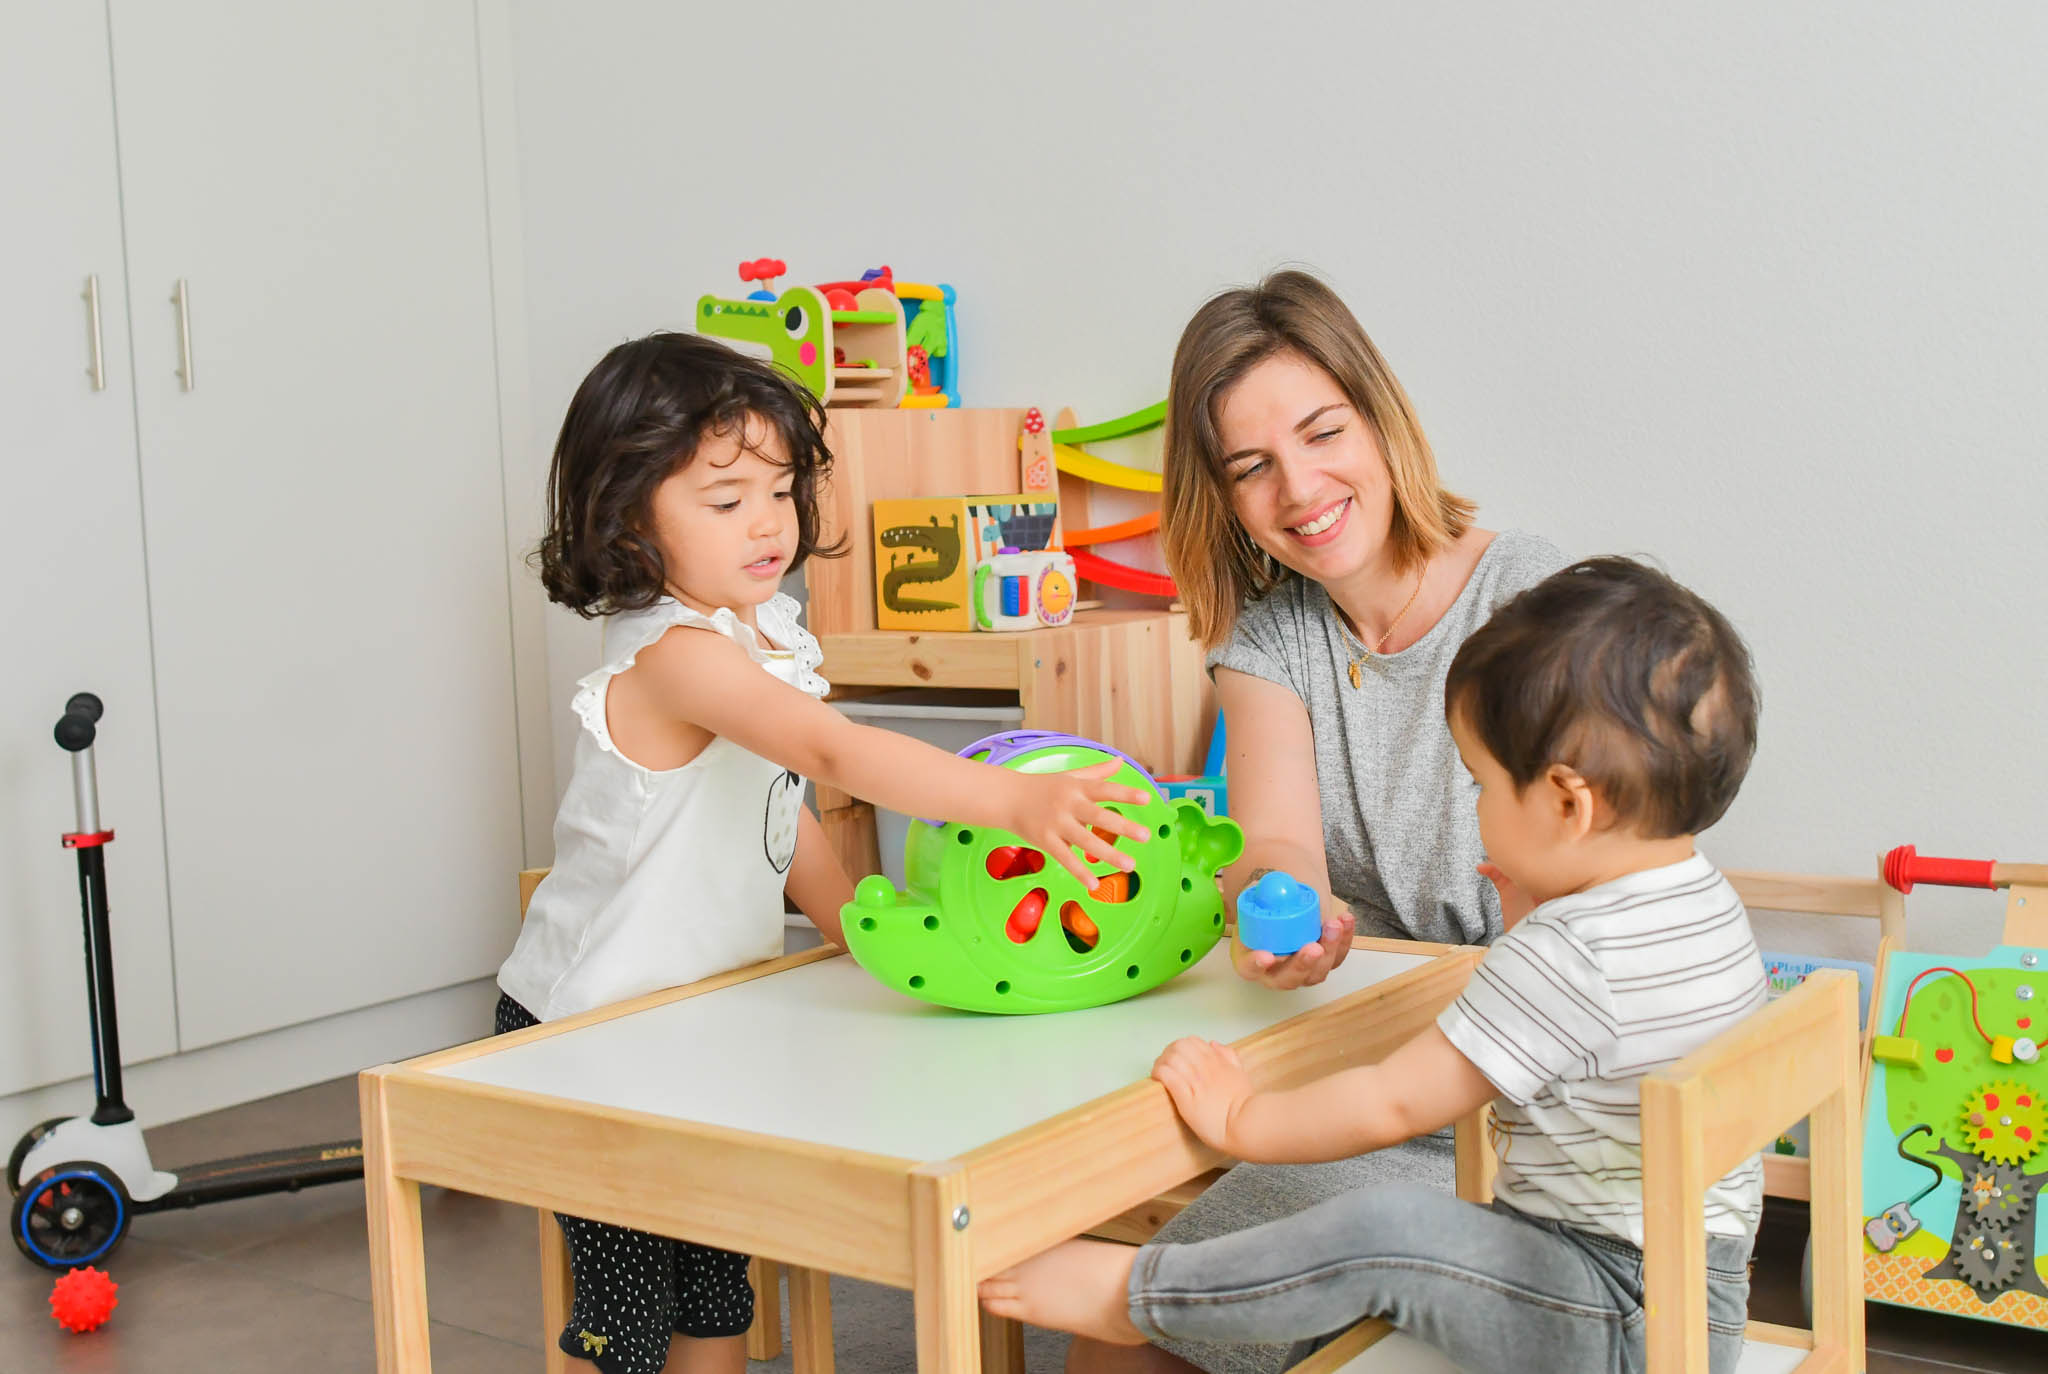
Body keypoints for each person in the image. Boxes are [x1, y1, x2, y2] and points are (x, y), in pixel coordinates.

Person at [495, 332, 1151, 1374]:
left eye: (782, 491)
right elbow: (827, 749)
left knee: (716, 1288)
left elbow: (776, 798)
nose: (767, 523)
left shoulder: (759, 633)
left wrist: (851, 922)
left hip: (696, 1013)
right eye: (724, 501)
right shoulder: (673, 656)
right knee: (628, 1310)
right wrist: (1012, 802)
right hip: (589, 1023)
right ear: (628, 521)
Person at [982, 556, 1768, 1374]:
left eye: (1482, 787)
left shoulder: (1566, 957)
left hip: (1616, 1310)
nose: (1475, 811)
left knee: (1383, 1229)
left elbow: (1392, 1100)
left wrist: (1239, 1119)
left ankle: (1144, 1296)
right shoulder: (1700, 901)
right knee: (1372, 1281)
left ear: (1569, 805)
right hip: (1686, 1293)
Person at [1094, 270, 1566, 1373]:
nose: (1297, 488)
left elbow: (1601, 888)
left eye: (1319, 432)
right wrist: (1284, 914)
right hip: (1364, 1079)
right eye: (1250, 467)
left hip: (1525, 1099)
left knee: (1127, 1316)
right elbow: (1273, 841)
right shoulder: (1268, 640)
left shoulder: (1533, 600)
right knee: (1120, 1333)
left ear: (1378, 417)